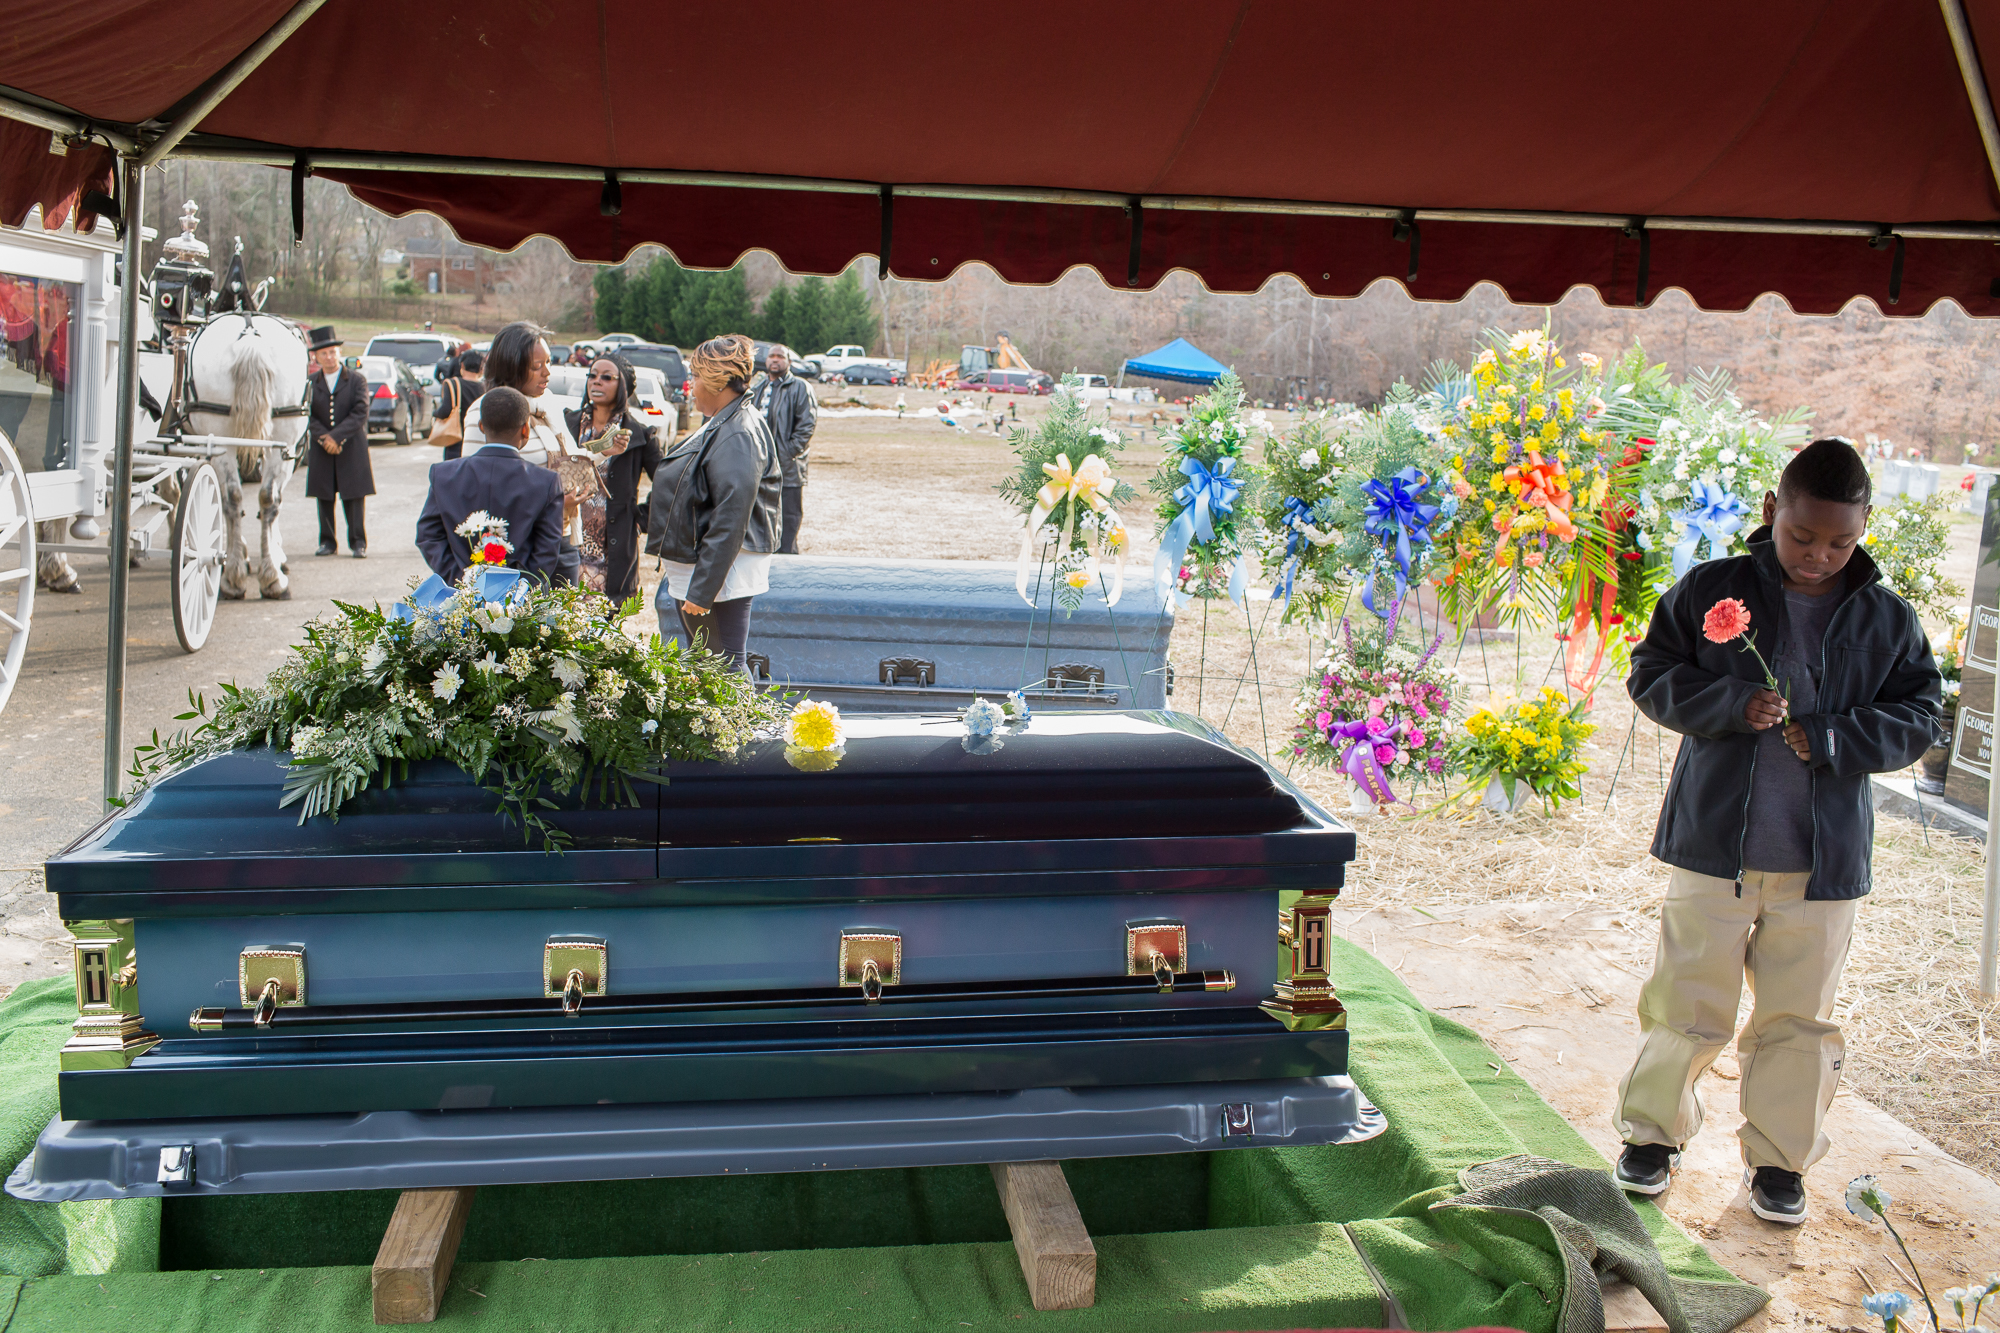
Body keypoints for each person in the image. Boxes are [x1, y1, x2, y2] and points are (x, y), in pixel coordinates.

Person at [1612, 438, 1942, 1226]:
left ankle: (1778, 1161)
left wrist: (1832, 738)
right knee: (1684, 1001)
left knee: (1798, 1018)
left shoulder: (1888, 618)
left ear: (1864, 528)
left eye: (1841, 541)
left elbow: (1920, 715)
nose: (1820, 555)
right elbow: (1650, 672)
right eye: (1804, 536)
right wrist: (1730, 703)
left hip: (1820, 865)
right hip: (1713, 847)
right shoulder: (1709, 588)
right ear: (1771, 512)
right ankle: (1653, 1138)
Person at [649, 334, 781, 674]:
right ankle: (728, 727)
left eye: (694, 377)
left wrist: (703, 589)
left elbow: (731, 514)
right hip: (709, 566)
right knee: (713, 666)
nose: (690, 386)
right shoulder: (724, 421)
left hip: (720, 570)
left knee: (723, 666)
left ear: (715, 379)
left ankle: (740, 728)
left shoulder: (737, 431)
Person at [415, 386, 565, 584]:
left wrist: (459, 578)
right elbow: (547, 548)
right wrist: (520, 589)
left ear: (481, 426)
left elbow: (428, 535)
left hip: (459, 596)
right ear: (525, 428)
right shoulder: (545, 482)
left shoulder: (444, 475)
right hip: (519, 601)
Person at [563, 353, 662, 602]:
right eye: (593, 375)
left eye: (607, 377)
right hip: (567, 537)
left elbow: (666, 482)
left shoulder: (639, 435)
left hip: (611, 547)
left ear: (624, 387)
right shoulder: (566, 424)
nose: (597, 382)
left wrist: (639, 520)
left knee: (605, 626)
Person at [304, 325, 372, 557]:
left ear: (339, 353)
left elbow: (360, 411)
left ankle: (358, 543)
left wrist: (336, 436)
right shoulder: (311, 382)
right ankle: (327, 542)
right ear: (316, 357)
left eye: (333, 352)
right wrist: (324, 438)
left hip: (350, 445)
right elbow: (307, 414)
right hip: (322, 447)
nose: (329, 357)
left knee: (353, 496)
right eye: (324, 353)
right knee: (324, 496)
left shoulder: (356, 380)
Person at [750, 345, 817, 553]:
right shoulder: (758, 388)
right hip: (760, 463)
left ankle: (788, 557)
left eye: (780, 356)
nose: (775, 360)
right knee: (761, 511)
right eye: (771, 356)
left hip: (788, 463)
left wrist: (790, 451)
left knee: (789, 514)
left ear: (788, 361)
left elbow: (807, 424)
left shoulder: (800, 387)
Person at [434, 348, 486, 461]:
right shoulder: (486, 387)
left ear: (462, 365)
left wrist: (435, 413)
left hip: (456, 439)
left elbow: (445, 411)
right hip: (479, 439)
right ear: (481, 368)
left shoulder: (453, 384)